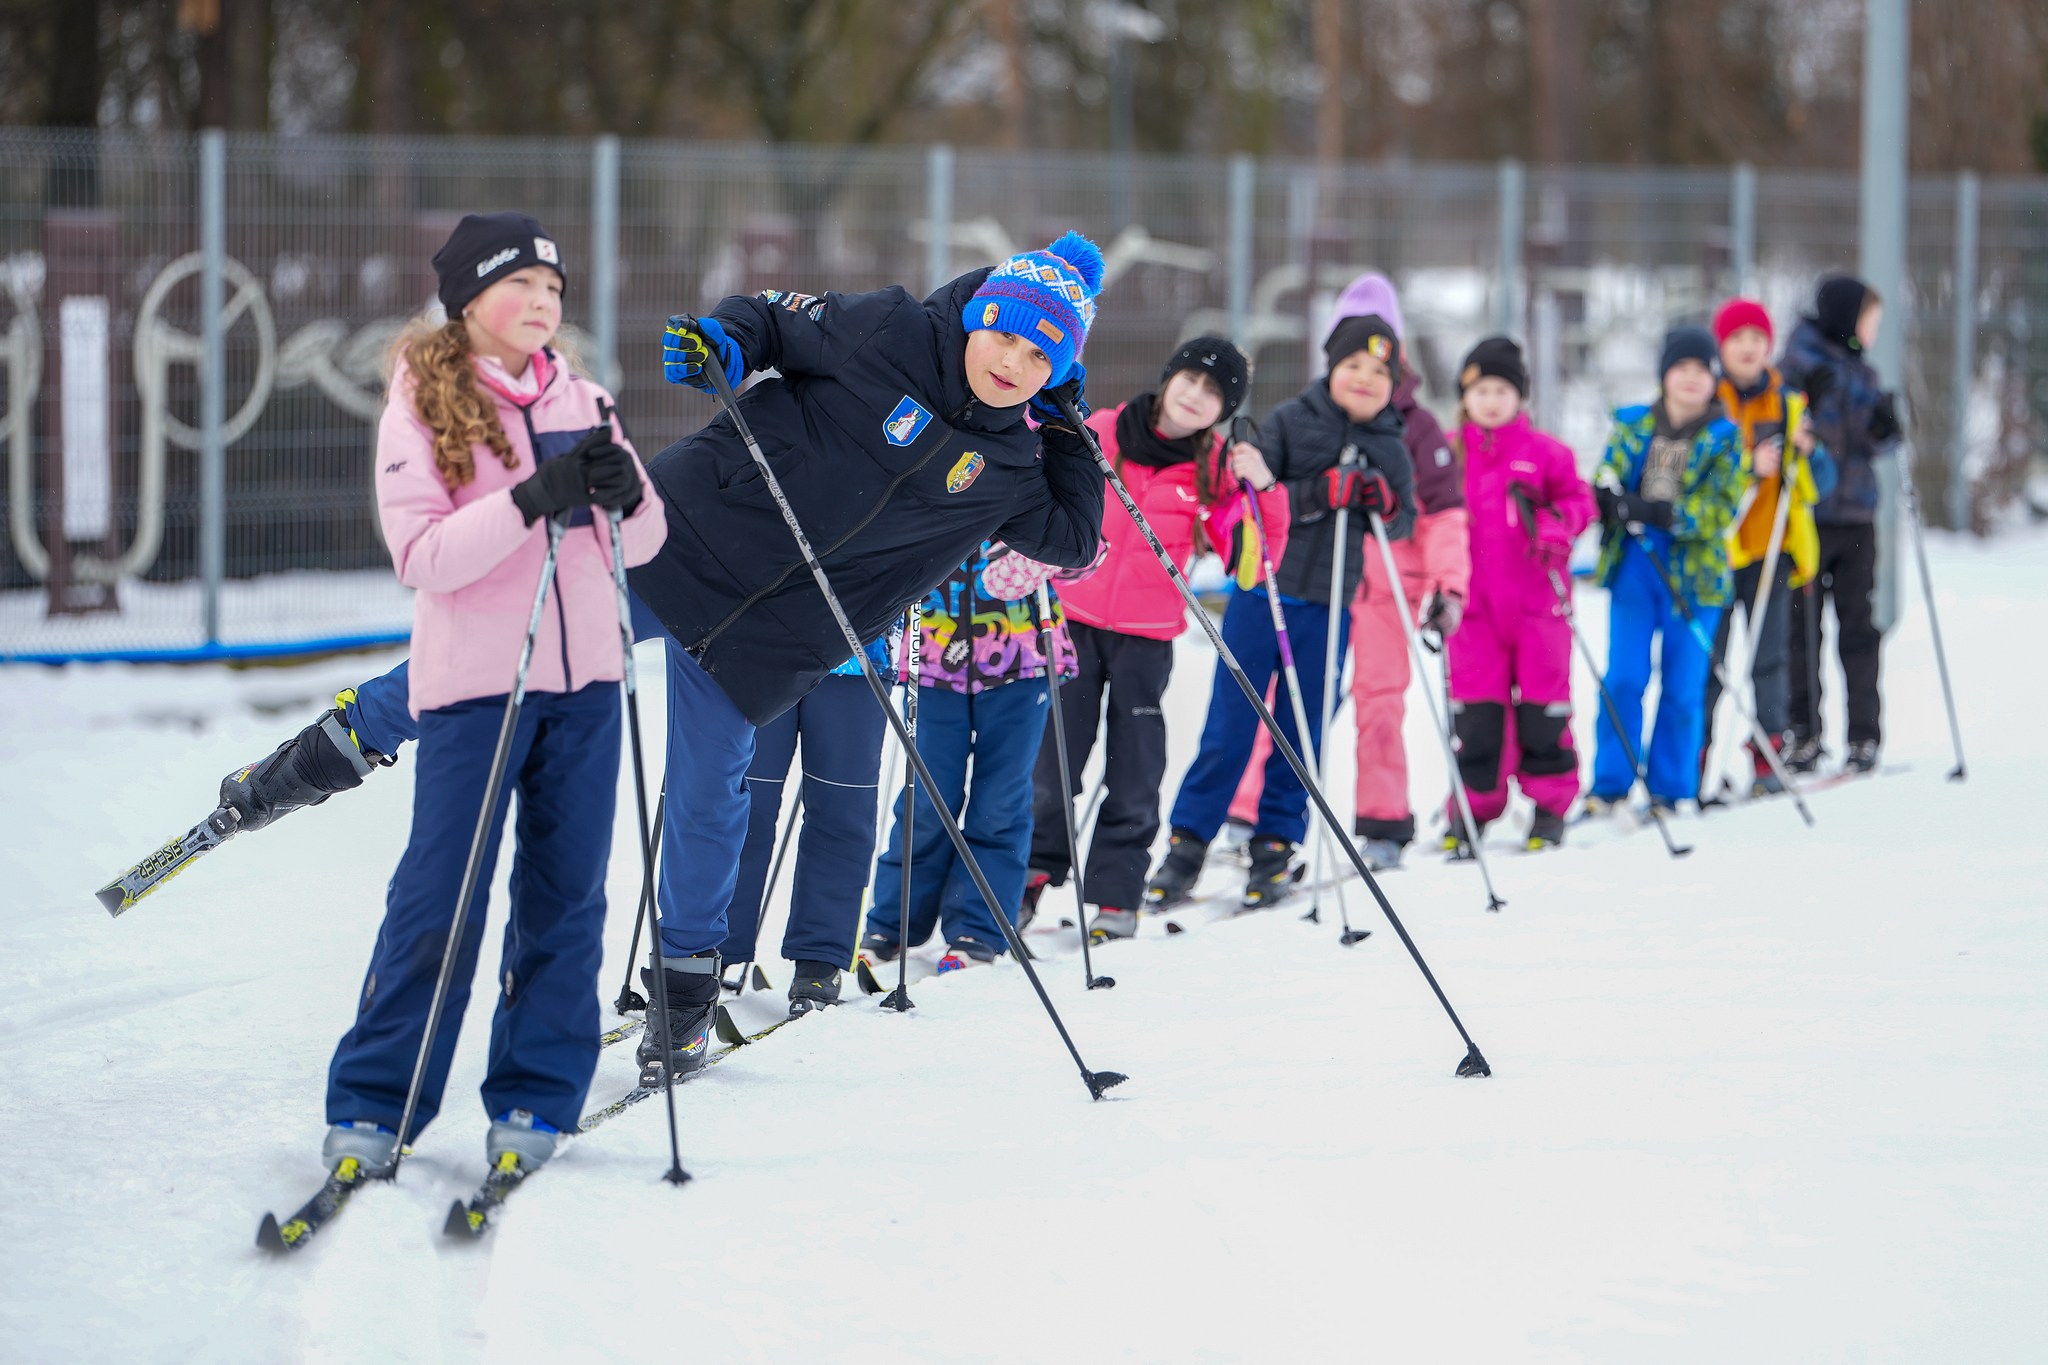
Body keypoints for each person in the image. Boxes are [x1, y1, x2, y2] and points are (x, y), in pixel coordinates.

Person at [626, 234, 1107, 1073]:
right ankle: (359, 734)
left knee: (810, 804)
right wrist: (726, 345)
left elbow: (1073, 534)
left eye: (1043, 357)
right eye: (1007, 335)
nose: (1014, 362)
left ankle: (776, 966)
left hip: (806, 642)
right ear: (979, 315)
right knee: (730, 792)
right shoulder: (887, 330)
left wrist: (1066, 421)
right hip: (701, 554)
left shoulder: (1009, 457)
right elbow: (772, 321)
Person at [319, 212, 665, 1180]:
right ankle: (375, 1108)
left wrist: (624, 491)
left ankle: (534, 1099)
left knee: (566, 901)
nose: (542, 303)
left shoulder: (586, 399)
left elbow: (641, 549)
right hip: (477, 693)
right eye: (520, 285)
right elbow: (422, 557)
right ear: (469, 301)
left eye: (553, 289)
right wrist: (527, 500)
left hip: (587, 688)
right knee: (440, 898)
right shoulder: (422, 407)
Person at [1144, 313, 1416, 909]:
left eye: (1379, 372)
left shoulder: (1391, 445)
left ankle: (1275, 844)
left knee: (1302, 729)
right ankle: (1188, 843)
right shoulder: (1294, 420)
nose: (1364, 380)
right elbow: (1254, 490)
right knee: (1230, 724)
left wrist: (1384, 501)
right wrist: (1323, 492)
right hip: (1262, 591)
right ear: (1331, 367)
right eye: (1352, 367)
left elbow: (1403, 522)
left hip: (1329, 604)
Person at [1023, 337, 1285, 940]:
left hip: (1147, 636)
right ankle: (1033, 875)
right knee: (1054, 760)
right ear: (1170, 377)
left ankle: (1116, 894)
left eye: (1214, 393)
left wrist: (1263, 493)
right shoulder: (1106, 429)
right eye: (1191, 379)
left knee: (1136, 769)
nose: (1196, 396)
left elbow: (1250, 565)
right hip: (1072, 620)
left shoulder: (1215, 468)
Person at [1223, 274, 1470, 871]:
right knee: (1292, 701)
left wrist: (1447, 584)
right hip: (1313, 581)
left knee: (1380, 700)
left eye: (1377, 356)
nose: (1363, 372)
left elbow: (1441, 518)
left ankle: (1383, 818)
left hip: (1386, 584)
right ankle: (1248, 808)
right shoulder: (1309, 415)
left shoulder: (1416, 428)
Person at [862, 543, 1072, 969]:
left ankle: (978, 926)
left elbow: (1088, 547)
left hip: (1020, 660)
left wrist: (1045, 555)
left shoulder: (1035, 473)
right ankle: (894, 921)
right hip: (933, 657)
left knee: (1000, 803)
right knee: (924, 798)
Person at [1440, 336, 1595, 852]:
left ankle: (1550, 806)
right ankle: (1473, 807)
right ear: (1465, 396)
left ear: (1520, 397)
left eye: (1502, 389)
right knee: (1478, 716)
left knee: (1543, 712)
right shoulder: (1448, 456)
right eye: (1481, 389)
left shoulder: (1546, 453)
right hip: (1474, 612)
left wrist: (1557, 525)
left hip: (1537, 607)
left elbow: (1579, 500)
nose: (1491, 399)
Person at [1586, 326, 1744, 816]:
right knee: (1625, 677)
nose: (1692, 379)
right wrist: (1609, 500)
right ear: (1664, 375)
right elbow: (1605, 477)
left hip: (1695, 577)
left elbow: (1722, 507)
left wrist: (1666, 513)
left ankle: (1670, 788)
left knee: (1682, 686)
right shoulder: (1633, 426)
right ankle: (1609, 784)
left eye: (1702, 370)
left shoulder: (1725, 438)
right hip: (1636, 565)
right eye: (1682, 369)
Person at [1700, 297, 1836, 799]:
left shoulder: (1787, 403)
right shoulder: (1706, 400)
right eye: (1738, 339)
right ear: (1722, 346)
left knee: (1769, 659)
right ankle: (1696, 757)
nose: (1748, 348)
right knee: (1710, 662)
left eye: (1757, 339)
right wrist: (1746, 466)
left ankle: (1767, 752)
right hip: (1714, 553)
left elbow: (1821, 480)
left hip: (1769, 549)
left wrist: (1808, 451)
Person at [716, 634, 893, 1015]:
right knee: (742, 808)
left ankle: (820, 955)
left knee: (842, 813)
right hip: (761, 651)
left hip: (858, 656)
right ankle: (712, 944)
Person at [1777, 275, 1898, 775]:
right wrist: (1801, 398)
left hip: (1856, 518)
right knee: (1801, 630)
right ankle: (1803, 731)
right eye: (1869, 322)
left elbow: (1870, 441)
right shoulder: (1798, 362)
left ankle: (1863, 734)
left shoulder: (1862, 372)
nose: (1872, 333)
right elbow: (1781, 423)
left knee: (1858, 627)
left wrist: (1885, 429)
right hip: (1808, 517)